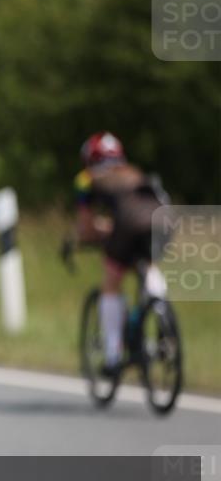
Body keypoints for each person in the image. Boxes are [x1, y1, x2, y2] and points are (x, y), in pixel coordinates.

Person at [73, 131, 167, 375]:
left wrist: (85, 237)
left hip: (128, 225)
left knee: (112, 281)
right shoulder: (135, 172)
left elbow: (86, 228)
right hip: (163, 220)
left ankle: (113, 354)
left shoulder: (87, 178)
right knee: (149, 265)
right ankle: (163, 321)